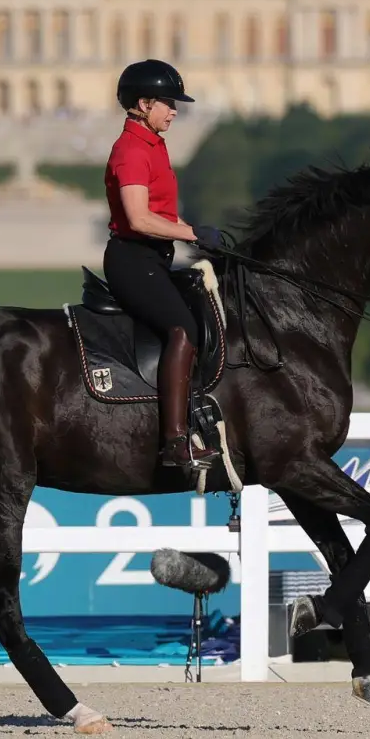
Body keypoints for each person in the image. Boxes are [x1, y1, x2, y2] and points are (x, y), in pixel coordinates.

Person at [102, 59, 226, 470]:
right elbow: (138, 218)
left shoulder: (153, 144)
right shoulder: (131, 150)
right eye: (169, 104)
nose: (174, 111)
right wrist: (191, 234)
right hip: (132, 260)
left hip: (154, 256)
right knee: (182, 329)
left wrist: (201, 235)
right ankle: (175, 442)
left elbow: (159, 212)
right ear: (143, 103)